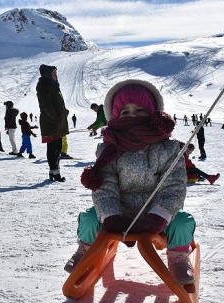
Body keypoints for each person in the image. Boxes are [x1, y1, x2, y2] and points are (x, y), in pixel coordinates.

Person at [65, 79, 196, 286]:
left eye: (140, 110)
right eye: (125, 112)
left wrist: (161, 214)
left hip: (157, 216)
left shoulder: (168, 149)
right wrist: (110, 215)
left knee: (183, 221)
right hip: (119, 213)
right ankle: (86, 250)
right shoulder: (108, 150)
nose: (133, 115)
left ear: (154, 115)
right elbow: (104, 185)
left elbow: (174, 186)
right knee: (89, 218)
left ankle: (178, 258)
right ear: (115, 117)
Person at [36, 64, 69, 182]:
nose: (56, 75)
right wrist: (56, 117)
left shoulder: (52, 85)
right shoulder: (44, 86)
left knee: (58, 147)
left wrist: (64, 112)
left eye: (56, 73)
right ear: (47, 74)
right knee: (53, 148)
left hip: (56, 122)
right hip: (51, 122)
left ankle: (55, 171)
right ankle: (54, 172)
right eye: (53, 73)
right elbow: (46, 105)